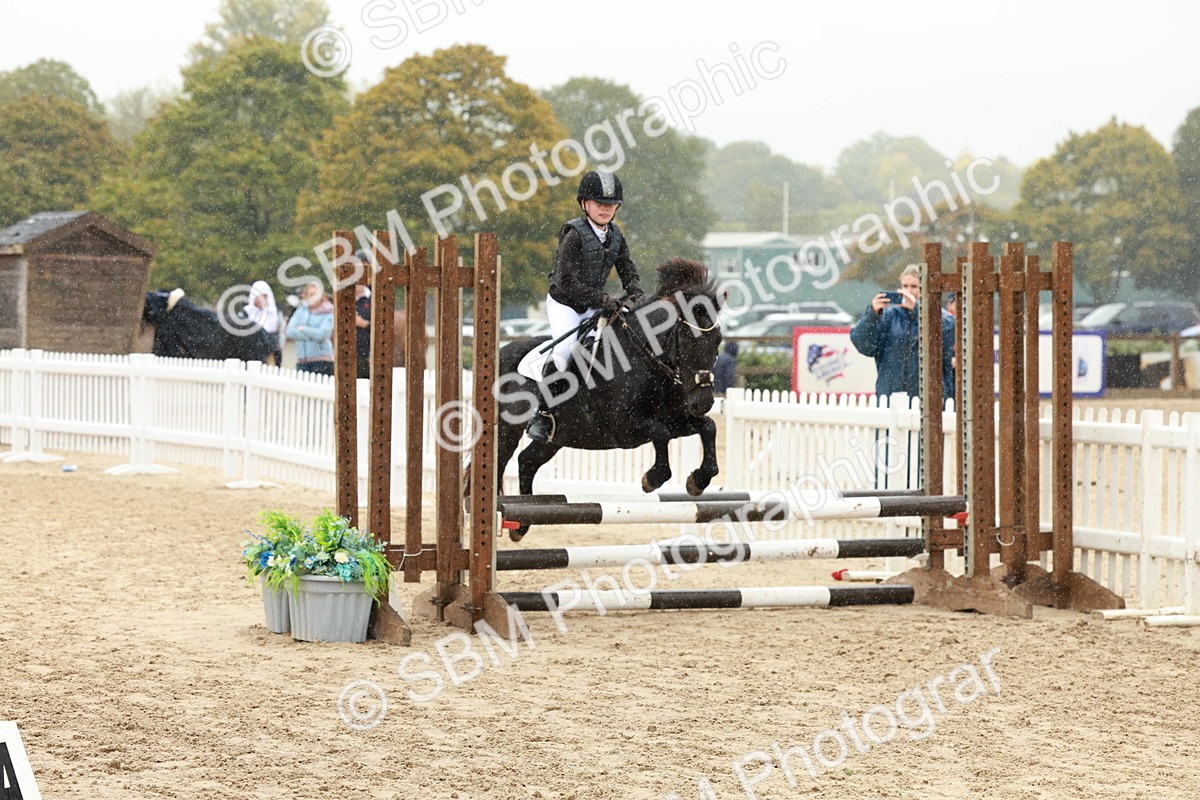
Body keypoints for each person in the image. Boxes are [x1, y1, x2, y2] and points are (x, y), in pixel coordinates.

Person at [526, 169, 646, 443]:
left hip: (593, 304)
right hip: (565, 303)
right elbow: (568, 281)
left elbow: (627, 269)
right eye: (599, 203)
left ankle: (594, 405)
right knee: (565, 350)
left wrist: (637, 293)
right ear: (584, 204)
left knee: (603, 350)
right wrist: (604, 300)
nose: (605, 209)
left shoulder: (616, 235)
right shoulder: (574, 234)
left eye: (610, 205)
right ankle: (542, 414)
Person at [850, 264, 955, 401]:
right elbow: (863, 345)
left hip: (929, 398)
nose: (908, 291)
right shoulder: (889, 316)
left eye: (914, 286)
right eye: (905, 286)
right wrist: (872, 315)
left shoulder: (940, 316)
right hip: (891, 397)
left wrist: (918, 310)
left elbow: (948, 333)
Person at [285, 279, 335, 376]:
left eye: (316, 295)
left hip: (322, 361)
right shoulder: (301, 311)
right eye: (311, 295)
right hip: (302, 361)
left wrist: (304, 329)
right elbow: (290, 331)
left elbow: (323, 334)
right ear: (306, 296)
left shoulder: (328, 311)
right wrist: (312, 336)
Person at [244, 280, 282, 366]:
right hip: (250, 355)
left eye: (265, 296)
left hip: (269, 356)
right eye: (260, 296)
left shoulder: (274, 314)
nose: (263, 299)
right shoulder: (246, 313)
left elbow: (277, 338)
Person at [353, 251, 373, 379]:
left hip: (366, 352)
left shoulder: (375, 296)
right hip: (345, 351)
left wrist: (365, 324)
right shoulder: (342, 296)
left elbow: (384, 326)